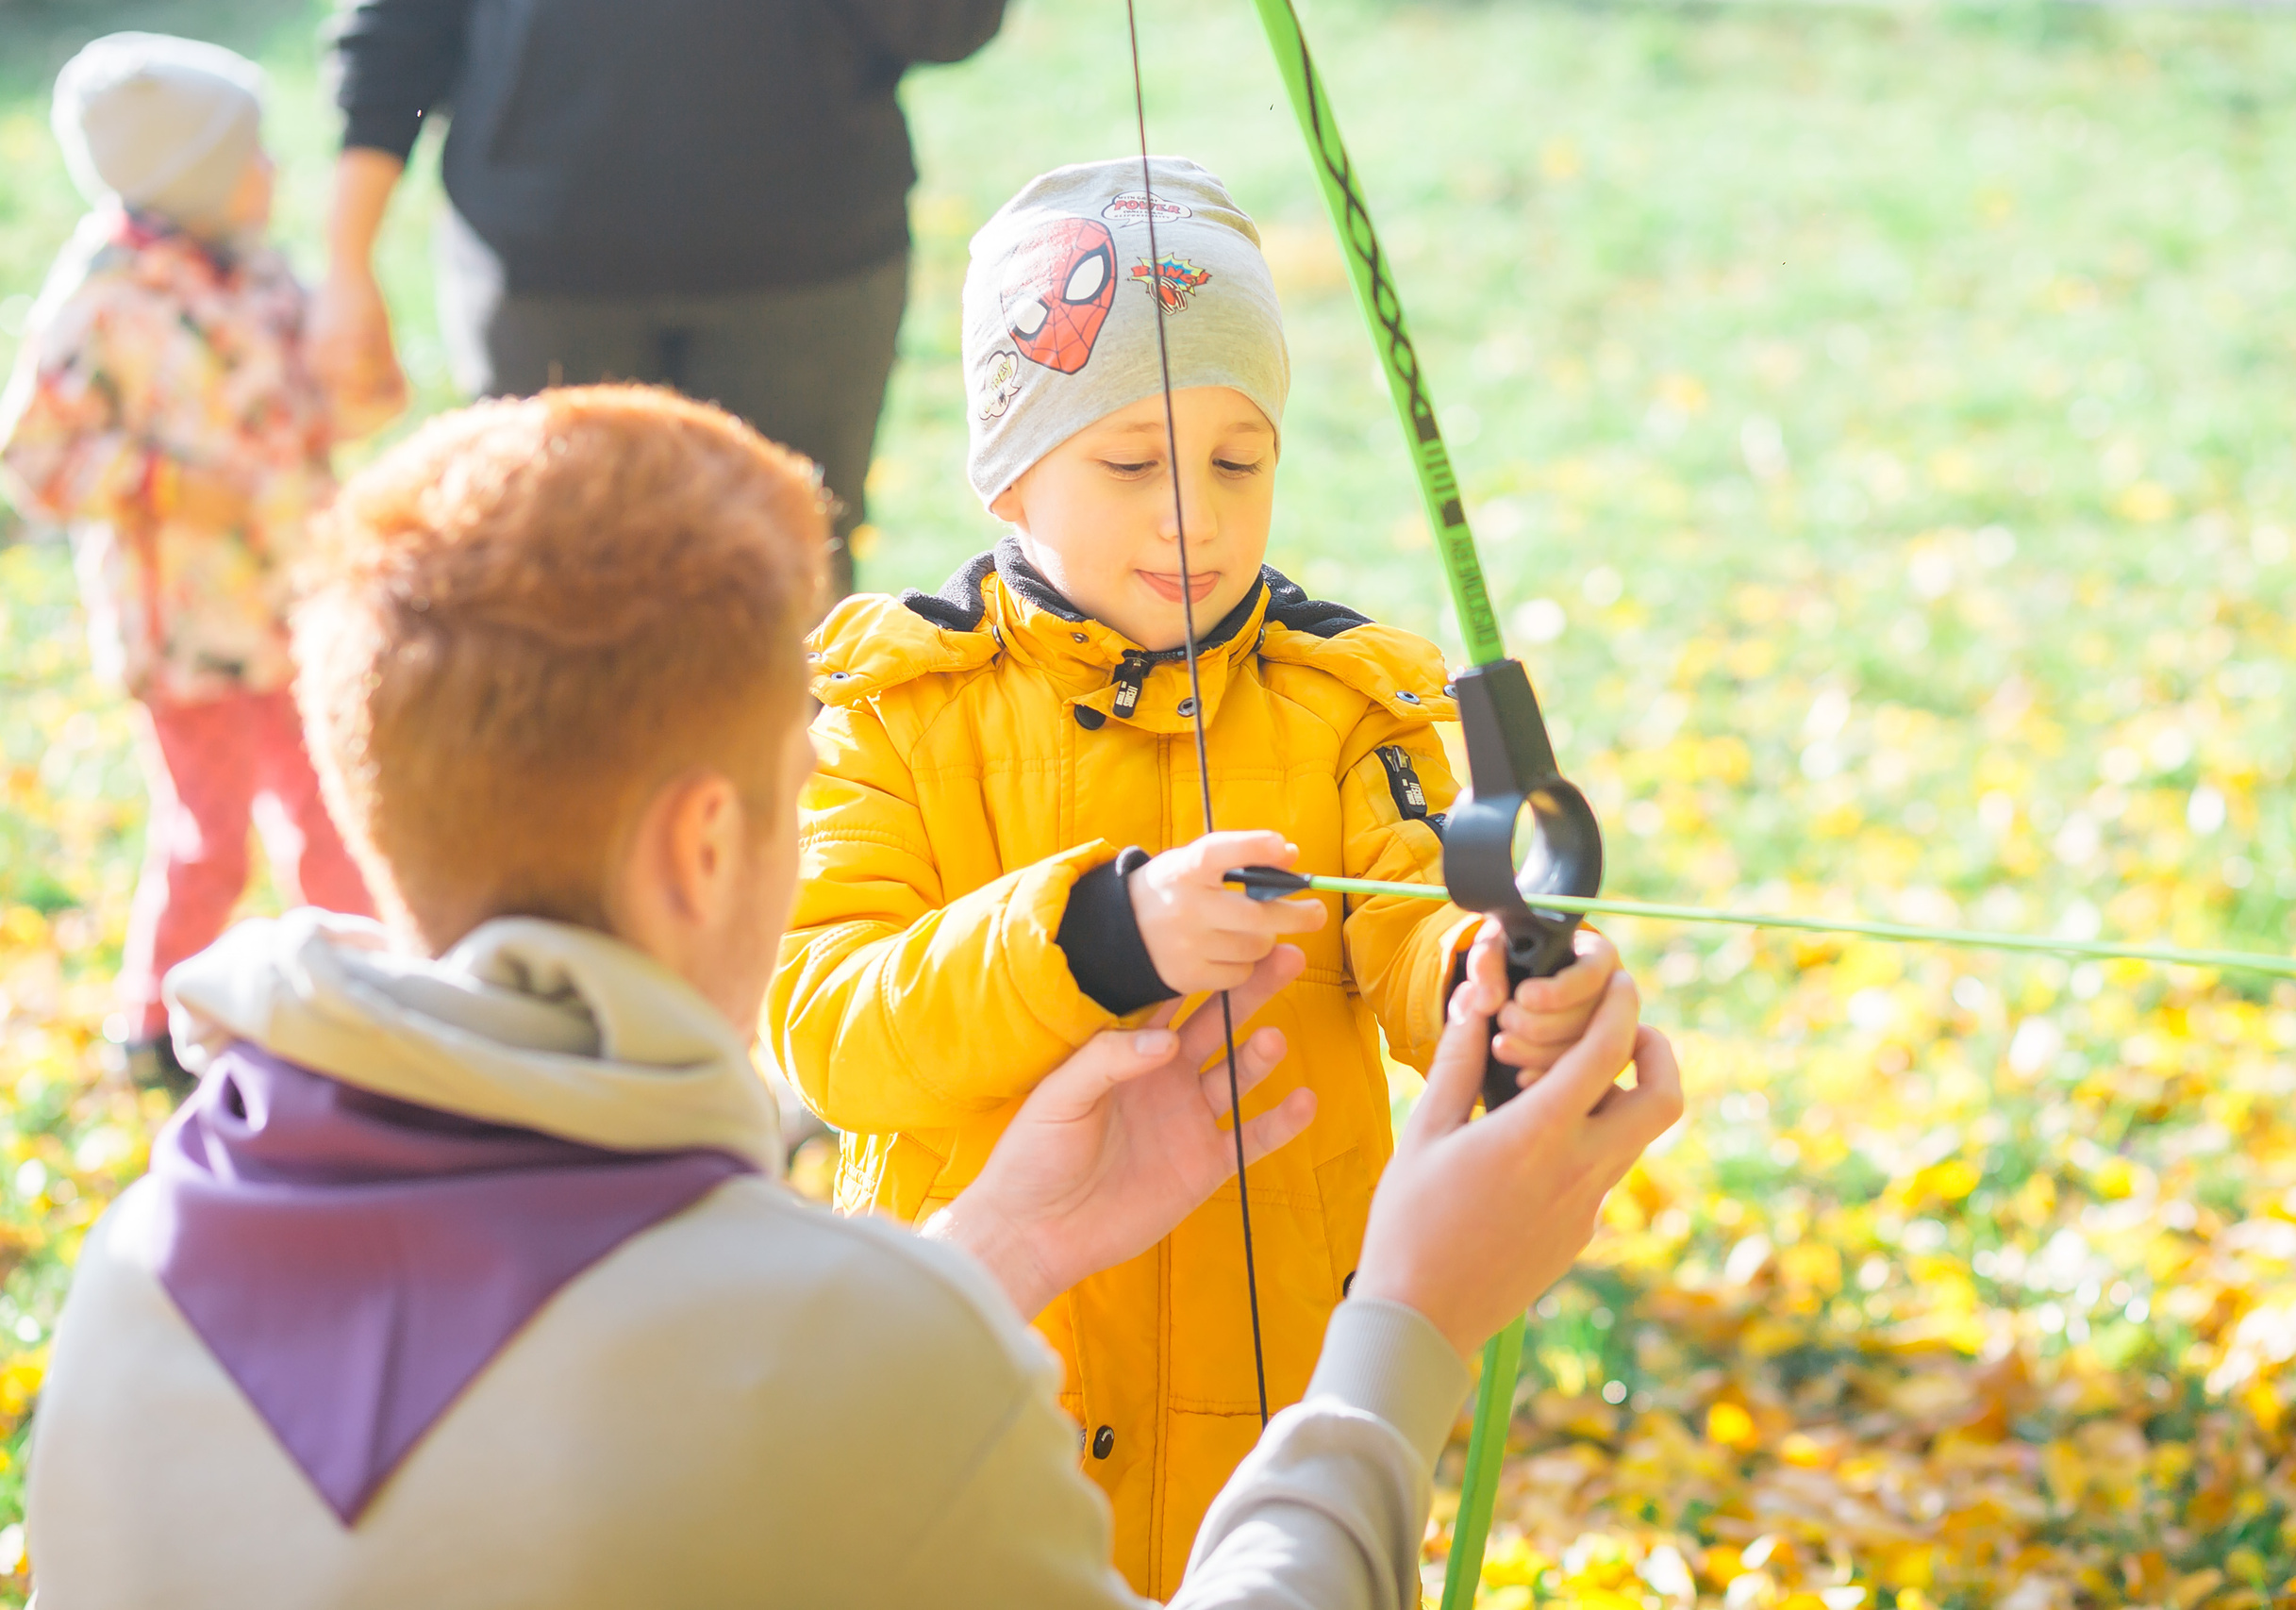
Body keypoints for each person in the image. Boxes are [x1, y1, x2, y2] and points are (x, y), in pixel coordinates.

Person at [25, 384, 1682, 1608]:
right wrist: (1408, 1326)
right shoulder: (814, 1354)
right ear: (704, 845)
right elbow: (771, 1390)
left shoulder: (154, 1256)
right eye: (796, 773)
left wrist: (997, 1247)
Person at [768, 155, 1622, 1594]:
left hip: (1274, 1382)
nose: (1195, 516)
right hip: (976, 1388)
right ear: (1007, 468)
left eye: (1239, 460)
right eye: (1130, 463)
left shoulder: (1343, 704)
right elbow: (827, 1022)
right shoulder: (891, 709)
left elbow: (1418, 924)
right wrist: (1100, 935)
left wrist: (1502, 987)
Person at [311, 0, 1011, 596]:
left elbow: (950, 25)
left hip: (806, 268)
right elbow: (399, 28)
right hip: (543, 274)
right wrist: (348, 259)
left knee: (790, 597)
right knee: (545, 602)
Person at [0, 32, 378, 1094]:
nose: (272, 171)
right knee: (209, 834)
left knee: (331, 811)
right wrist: (162, 484)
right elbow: (34, 458)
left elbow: (298, 399)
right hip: (186, 632)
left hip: (296, 604)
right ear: (187, 178)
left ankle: (353, 991)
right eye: (249, 155)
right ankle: (157, 1019)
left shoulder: (259, 273)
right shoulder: (102, 301)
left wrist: (351, 389)